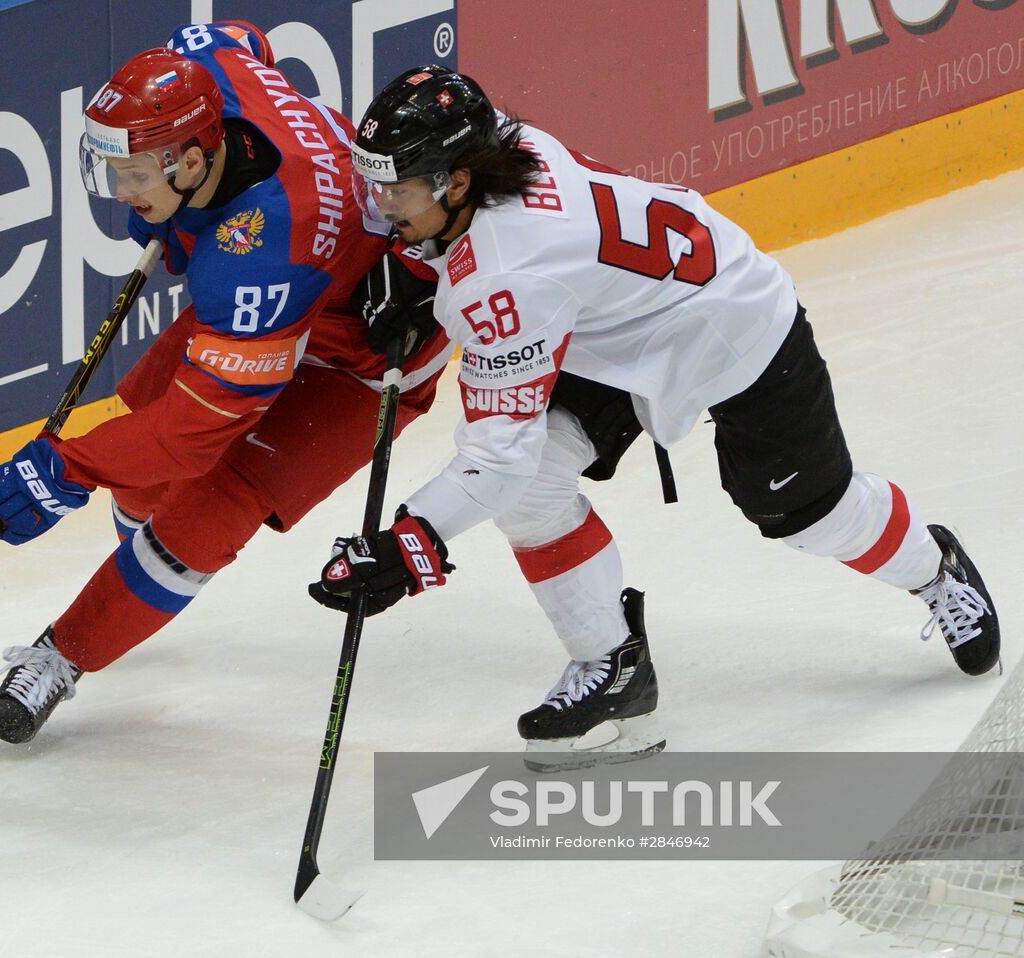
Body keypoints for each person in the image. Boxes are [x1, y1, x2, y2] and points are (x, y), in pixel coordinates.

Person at [309, 65, 1000, 768]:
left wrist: (409, 544)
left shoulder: (506, 282)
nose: (383, 204)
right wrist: (419, 267)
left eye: (398, 190)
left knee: (809, 515)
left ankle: (934, 570)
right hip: (616, 323)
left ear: (457, 182)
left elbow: (495, 455)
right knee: (536, 484)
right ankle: (613, 668)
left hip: (732, 326)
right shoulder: (506, 148)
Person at [0, 24, 450, 745]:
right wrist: (180, 212)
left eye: (136, 176)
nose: (121, 192)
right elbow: (242, 39)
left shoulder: (261, 257)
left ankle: (64, 654)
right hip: (290, 296)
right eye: (114, 170)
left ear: (192, 159)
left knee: (206, 513)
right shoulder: (204, 69)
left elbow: (190, 436)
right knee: (142, 464)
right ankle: (133, 564)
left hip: (363, 362)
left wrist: (65, 469)